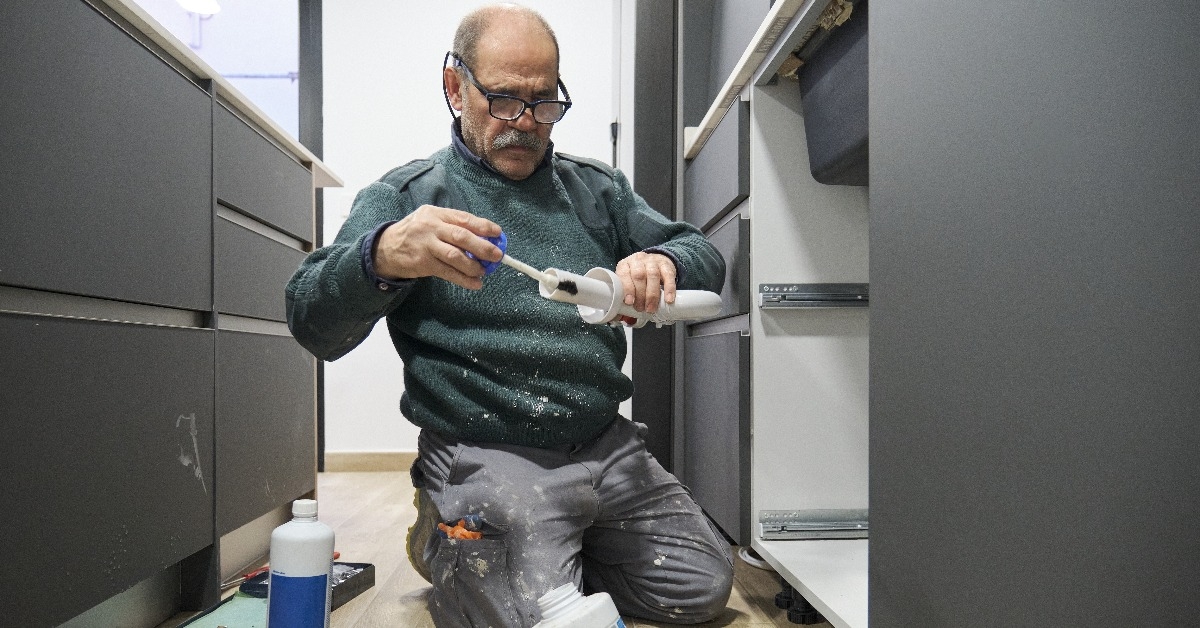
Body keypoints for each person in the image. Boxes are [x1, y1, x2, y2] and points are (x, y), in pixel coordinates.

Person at [286, 4, 732, 626]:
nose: (524, 123)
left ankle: (534, 551)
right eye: (502, 100)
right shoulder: (407, 198)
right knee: (533, 614)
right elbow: (311, 318)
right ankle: (449, 533)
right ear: (454, 88)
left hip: (605, 445)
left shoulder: (598, 191)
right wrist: (381, 255)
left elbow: (702, 253)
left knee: (700, 587)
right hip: (485, 449)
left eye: (543, 102)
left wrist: (662, 259)